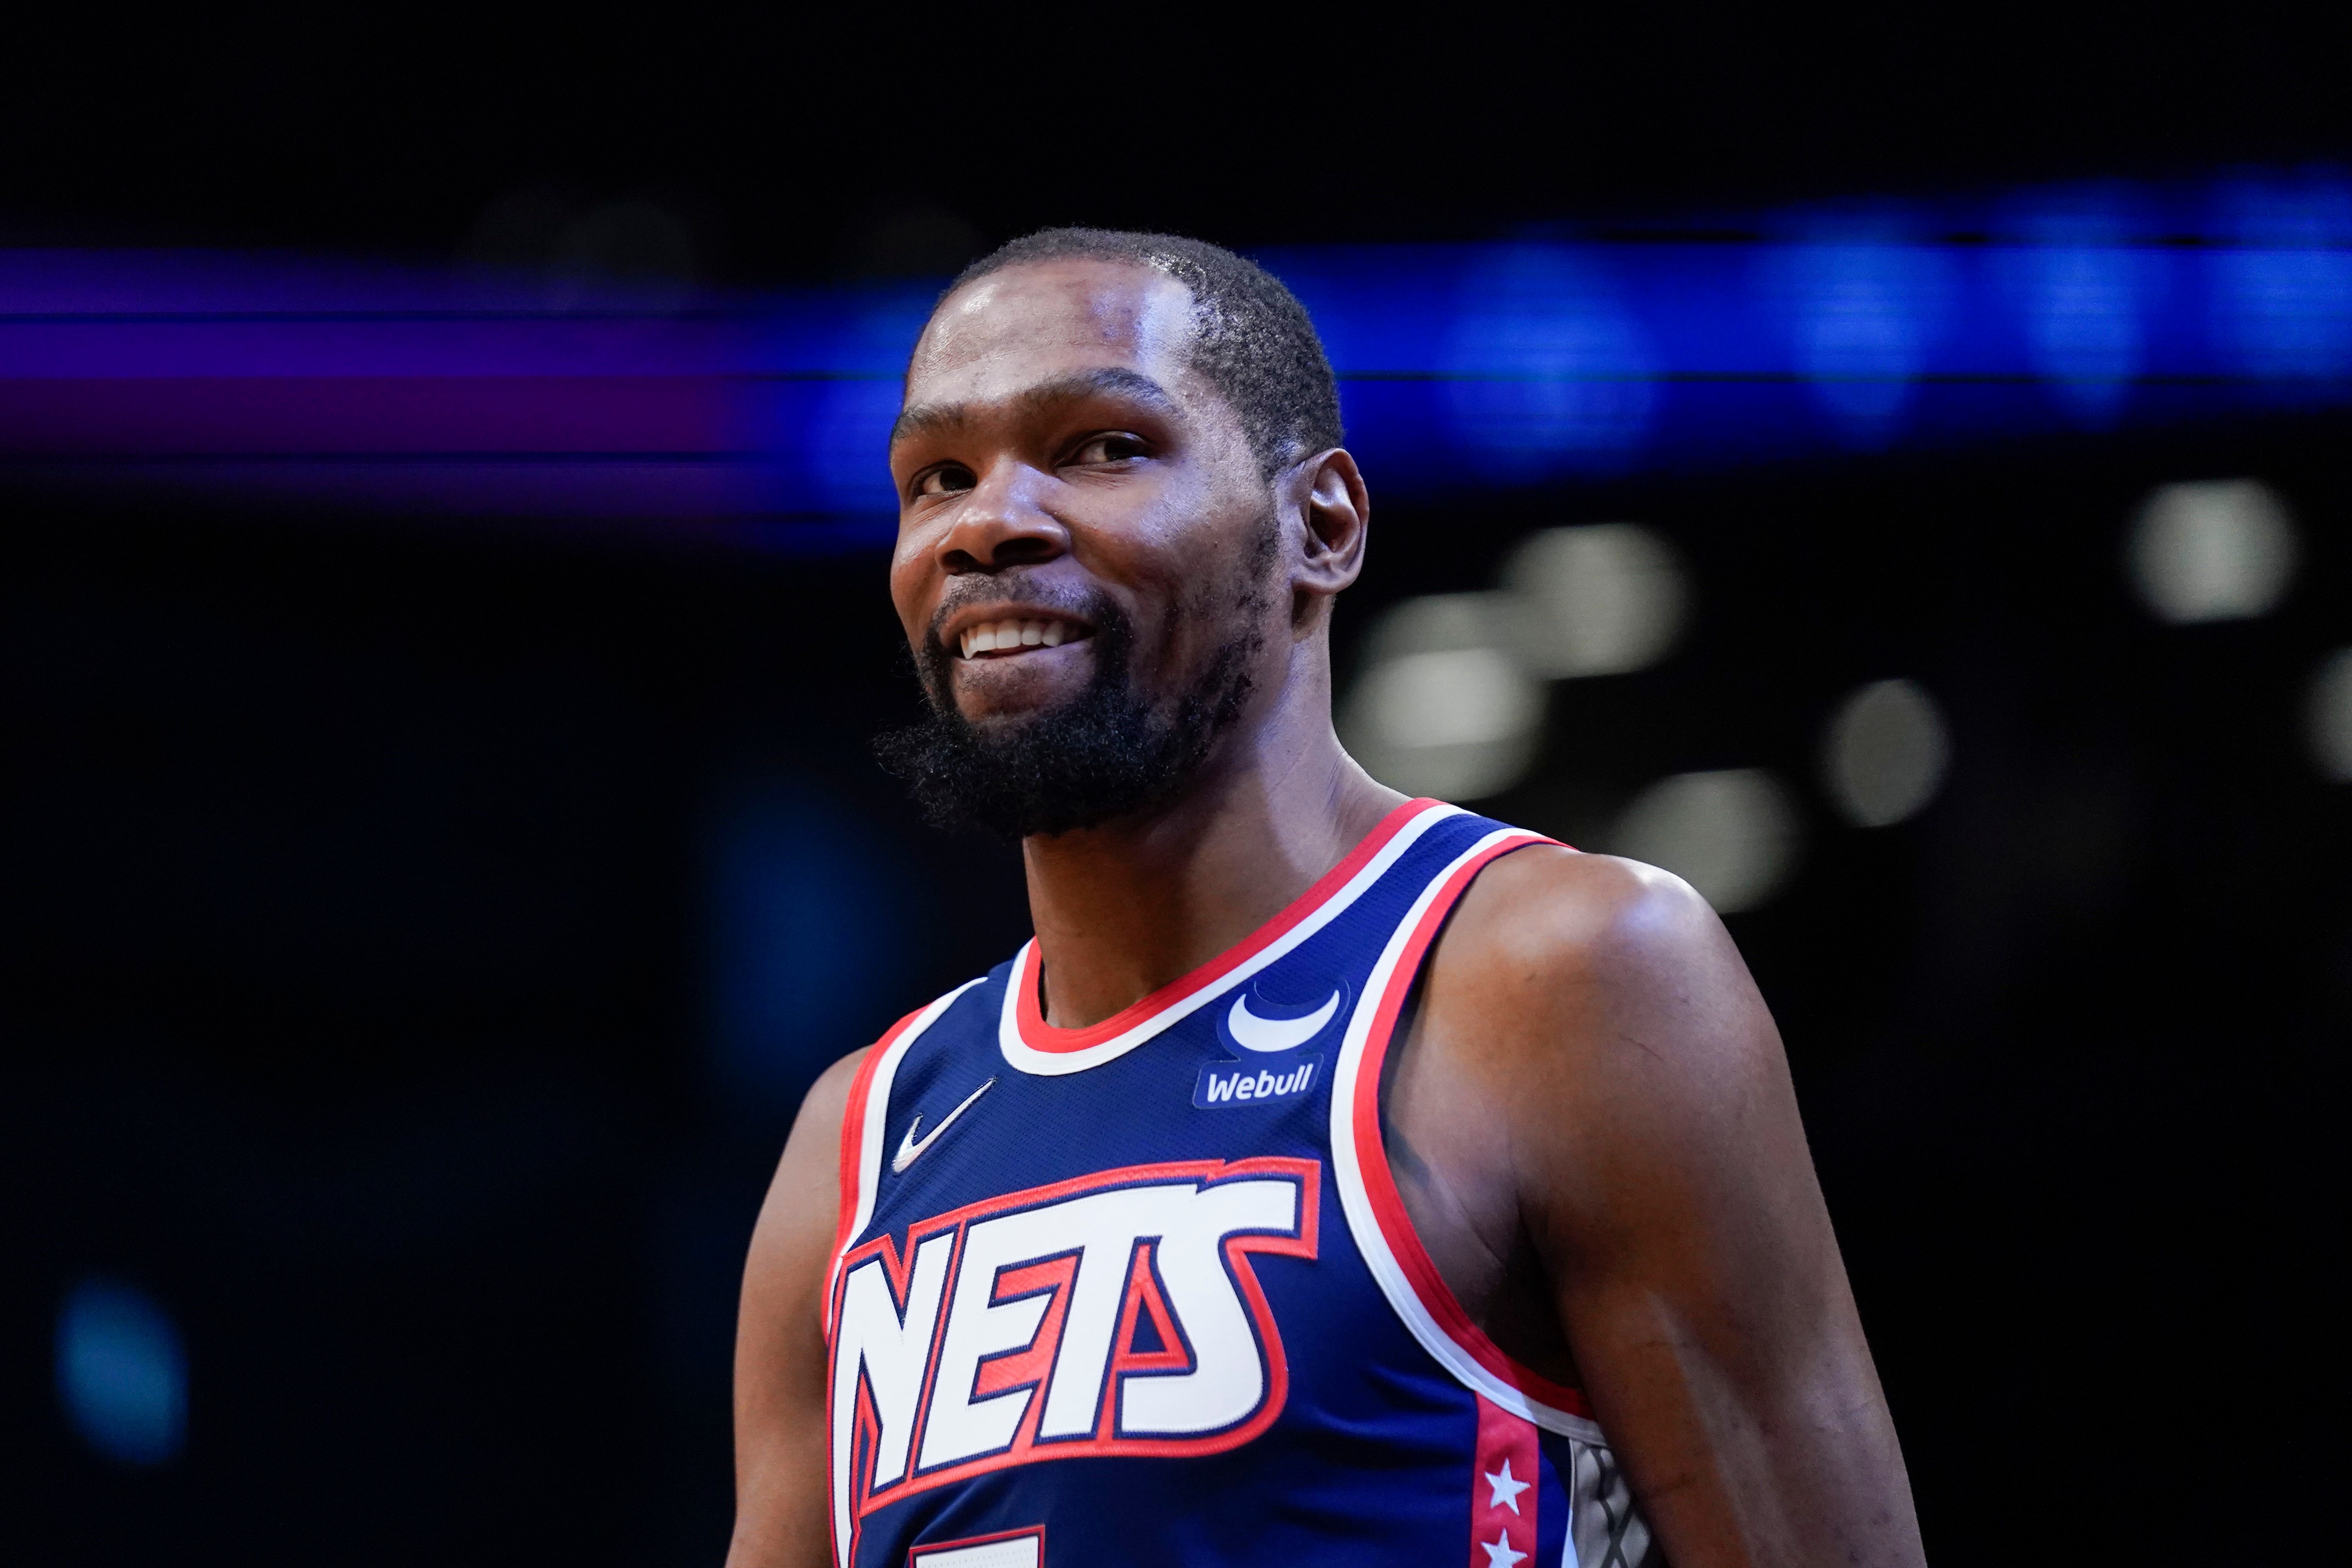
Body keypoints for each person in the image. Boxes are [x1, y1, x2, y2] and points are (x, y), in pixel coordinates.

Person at [727, 230, 1925, 1568]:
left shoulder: (1561, 975)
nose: (988, 521)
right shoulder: (861, 1142)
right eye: (936, 477)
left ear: (1323, 524)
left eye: (1102, 448)